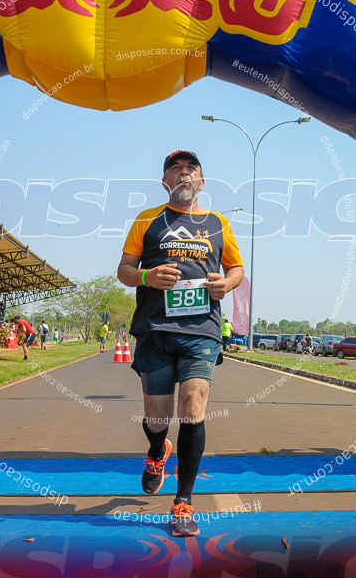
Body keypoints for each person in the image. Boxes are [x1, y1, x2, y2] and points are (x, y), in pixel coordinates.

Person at [117, 149, 244, 537]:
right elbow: (123, 271)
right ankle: (158, 451)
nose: (184, 173)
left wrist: (228, 283)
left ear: (202, 182)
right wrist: (147, 276)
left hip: (201, 330)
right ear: (166, 182)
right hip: (155, 329)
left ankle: (183, 501)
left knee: (192, 407)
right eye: (176, 168)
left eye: (191, 169)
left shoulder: (219, 223)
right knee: (158, 420)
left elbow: (236, 268)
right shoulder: (147, 219)